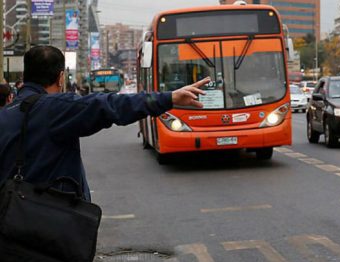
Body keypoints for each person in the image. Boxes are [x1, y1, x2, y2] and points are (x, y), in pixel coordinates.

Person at [0, 46, 209, 201]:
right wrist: (169, 98)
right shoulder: (55, 108)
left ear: (24, 76)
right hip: (49, 229)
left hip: (9, 228)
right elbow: (112, 105)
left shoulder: (5, 114)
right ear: (61, 77)